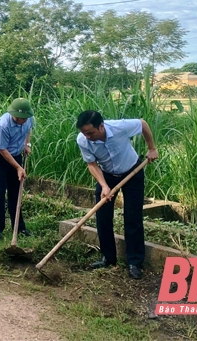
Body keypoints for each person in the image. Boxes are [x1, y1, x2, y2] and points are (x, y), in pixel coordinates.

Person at [76, 110, 158, 280]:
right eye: (84, 133)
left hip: (132, 172)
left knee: (132, 217)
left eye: (90, 132)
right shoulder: (83, 140)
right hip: (106, 175)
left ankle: (134, 262)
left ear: (101, 126)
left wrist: (152, 148)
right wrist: (104, 186)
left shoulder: (119, 127)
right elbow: (91, 164)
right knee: (103, 216)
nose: (88, 136)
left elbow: (142, 123)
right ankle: (108, 257)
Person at [0, 98, 34, 241]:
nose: (23, 121)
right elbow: (2, 149)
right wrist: (18, 167)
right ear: (14, 115)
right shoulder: (3, 124)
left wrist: (27, 144)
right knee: (0, 191)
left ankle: (19, 227)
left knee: (16, 191)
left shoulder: (29, 119)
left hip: (15, 154)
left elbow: (28, 131)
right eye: (20, 118)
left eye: (25, 118)